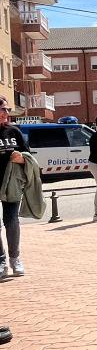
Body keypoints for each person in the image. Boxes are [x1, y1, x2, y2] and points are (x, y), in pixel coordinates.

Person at [0, 96, 28, 279]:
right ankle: (1, 260)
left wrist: (22, 158)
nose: (7, 113)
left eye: (8, 110)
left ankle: (15, 258)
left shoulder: (14, 131)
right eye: (4, 109)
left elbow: (28, 155)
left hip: (11, 184)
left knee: (11, 221)